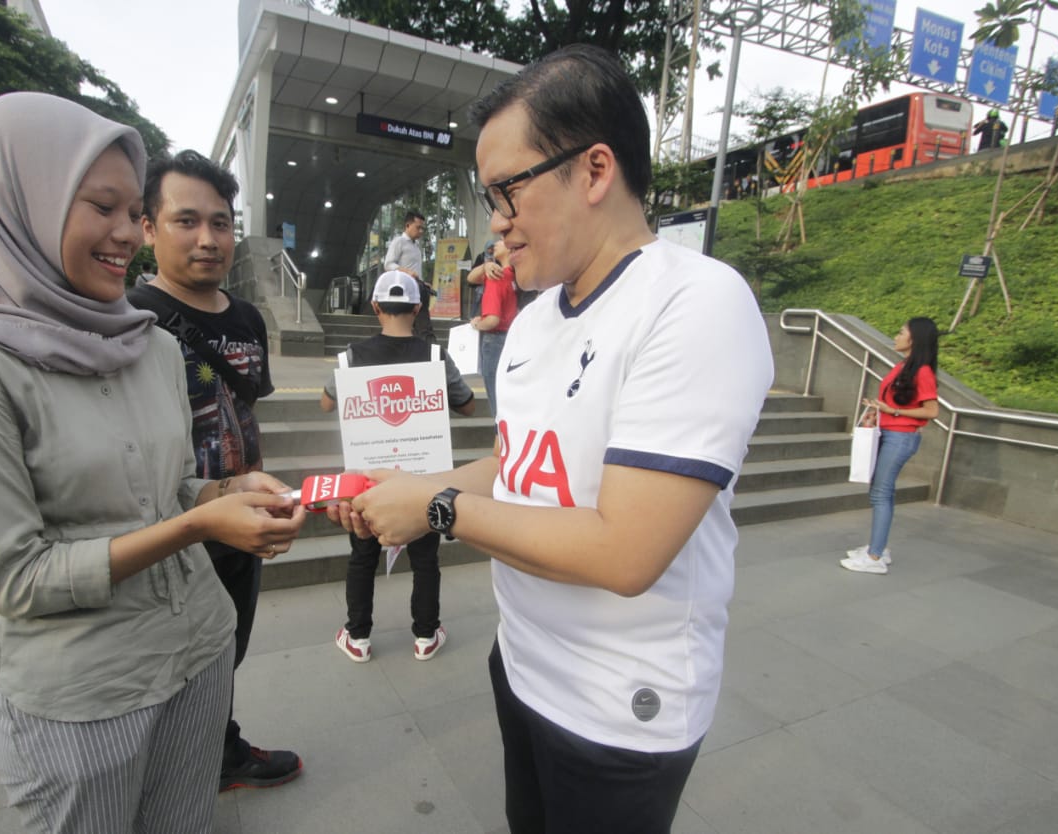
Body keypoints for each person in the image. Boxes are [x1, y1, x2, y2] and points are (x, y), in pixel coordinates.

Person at [329, 45, 773, 834]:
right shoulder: (534, 323)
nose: (495, 222)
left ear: (595, 169)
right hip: (524, 664)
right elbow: (521, 464)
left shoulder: (695, 303)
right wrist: (394, 493)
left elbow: (625, 551)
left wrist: (435, 509)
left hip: (619, 709)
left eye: (507, 191)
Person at [0, 92, 304, 833]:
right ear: (22, 202)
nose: (123, 236)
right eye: (101, 207)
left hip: (198, 655)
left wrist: (229, 486)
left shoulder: (149, 343)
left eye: (130, 212)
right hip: (83, 699)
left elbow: (168, 489)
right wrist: (200, 524)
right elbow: (17, 577)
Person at [127, 150, 303, 793]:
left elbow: (244, 413)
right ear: (148, 228)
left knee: (229, 647)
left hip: (238, 521)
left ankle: (219, 751)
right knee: (167, 660)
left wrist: (264, 500)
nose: (208, 239)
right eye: (186, 221)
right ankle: (160, 770)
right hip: (163, 529)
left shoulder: (248, 319)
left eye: (222, 223)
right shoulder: (126, 319)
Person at [322, 270, 474, 662]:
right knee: (426, 558)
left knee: (362, 555)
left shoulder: (351, 356)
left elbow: (327, 402)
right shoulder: (436, 356)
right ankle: (426, 635)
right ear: (418, 308)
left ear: (375, 307)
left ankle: (358, 636)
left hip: (368, 478)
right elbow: (467, 404)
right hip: (422, 477)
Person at [841, 317, 940, 575]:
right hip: (890, 433)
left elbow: (932, 411)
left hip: (900, 438)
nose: (896, 337)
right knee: (883, 493)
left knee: (880, 494)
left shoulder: (923, 371)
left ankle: (874, 557)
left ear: (914, 340)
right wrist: (880, 411)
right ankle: (879, 547)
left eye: (901, 333)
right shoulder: (905, 366)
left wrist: (892, 411)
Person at [468, 239, 517, 416]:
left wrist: (476, 323)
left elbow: (492, 320)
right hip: (511, 339)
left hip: (494, 340)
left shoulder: (496, 278)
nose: (496, 243)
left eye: (502, 240)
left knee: (497, 403)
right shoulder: (514, 276)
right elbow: (471, 278)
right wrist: (485, 266)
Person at [383, 209, 435, 341]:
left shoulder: (416, 246)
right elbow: (388, 265)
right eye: (418, 227)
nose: (421, 231)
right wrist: (406, 272)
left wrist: (423, 282)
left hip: (418, 288)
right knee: (419, 322)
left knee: (420, 321)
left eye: (422, 228)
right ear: (407, 225)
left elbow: (416, 270)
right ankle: (427, 343)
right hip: (404, 289)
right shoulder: (398, 242)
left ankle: (423, 344)